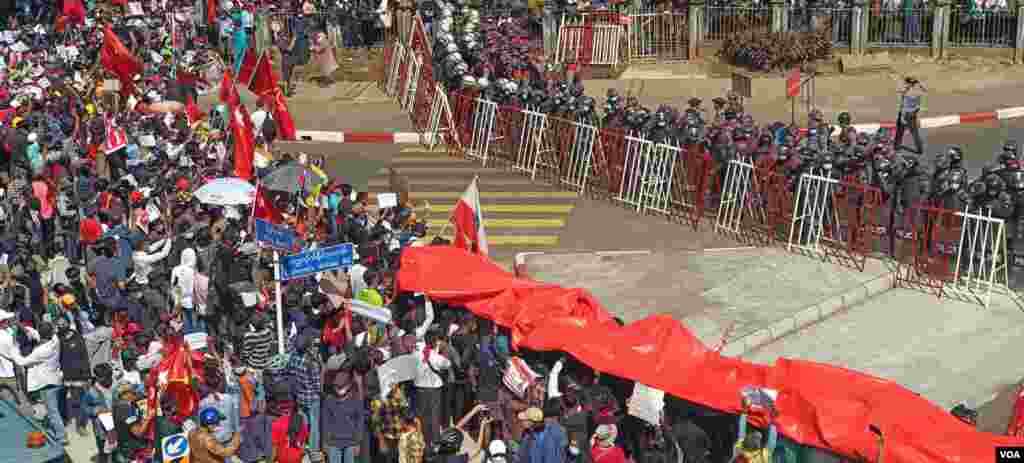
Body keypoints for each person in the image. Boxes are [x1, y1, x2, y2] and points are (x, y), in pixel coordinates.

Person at [895, 76, 926, 155]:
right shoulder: (918, 91)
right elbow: (924, 90)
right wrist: (918, 83)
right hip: (914, 114)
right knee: (915, 133)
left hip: (905, 114)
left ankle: (897, 147)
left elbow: (903, 106)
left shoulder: (906, 93)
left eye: (905, 83)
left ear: (908, 83)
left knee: (900, 131)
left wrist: (902, 117)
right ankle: (920, 149)